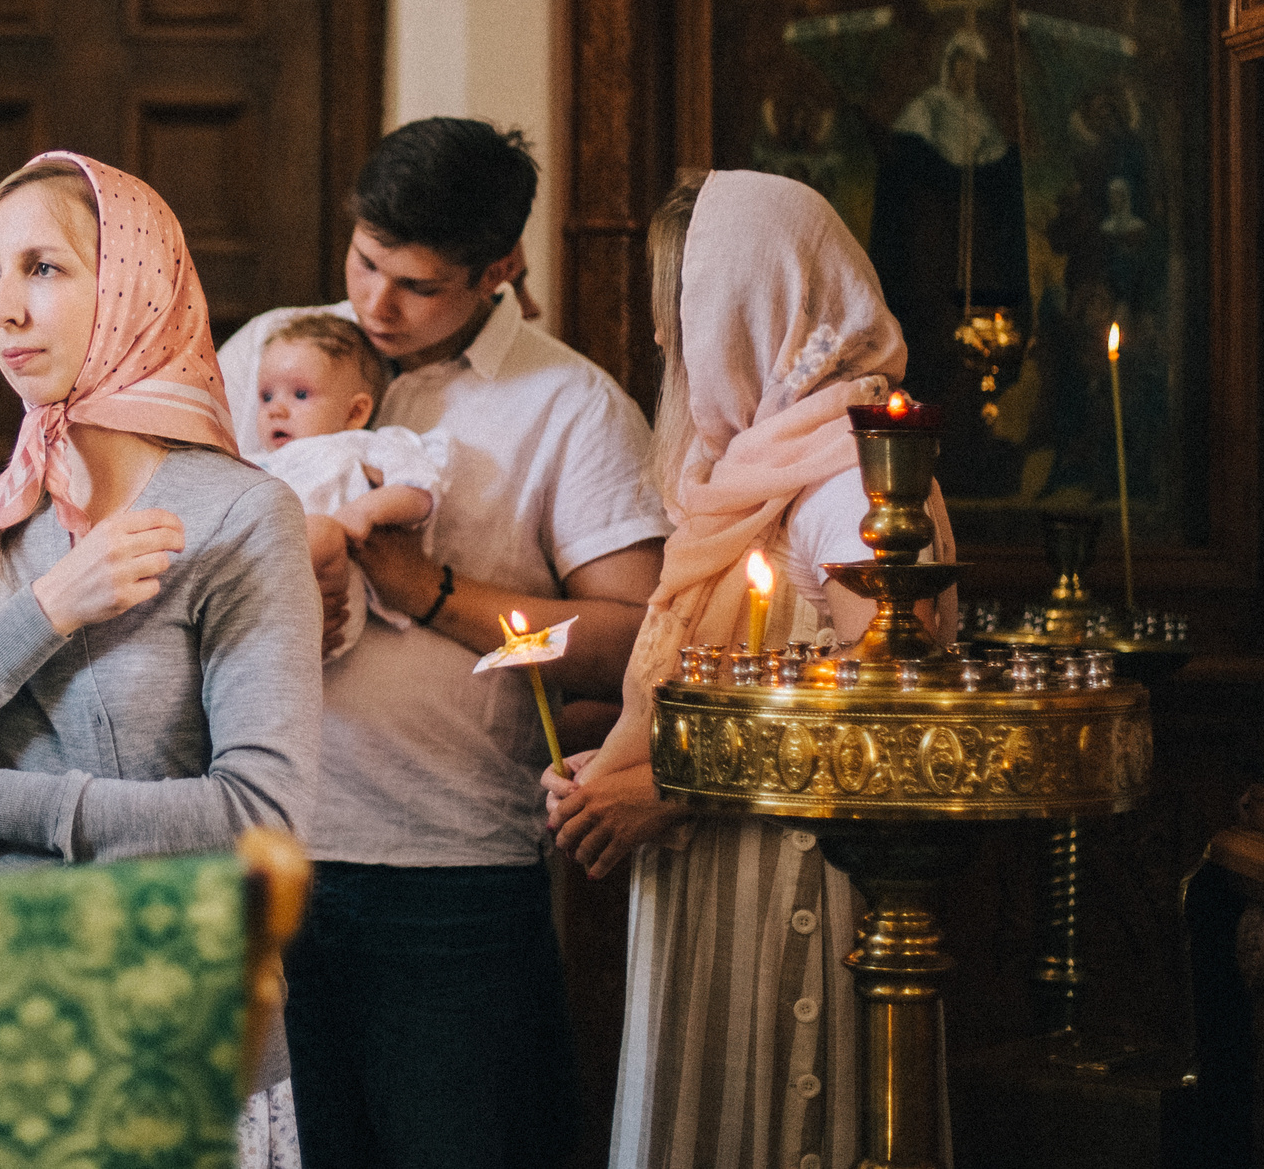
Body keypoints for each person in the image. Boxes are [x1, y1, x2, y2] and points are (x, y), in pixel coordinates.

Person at [0, 149, 319, 1167]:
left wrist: (2, 807)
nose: (4, 310)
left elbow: (264, 817)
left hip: (171, 1021)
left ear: (134, 289)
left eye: (42, 269)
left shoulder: (238, 516)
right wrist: (44, 611)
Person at [215, 117, 668, 1169]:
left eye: (415, 285)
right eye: (365, 261)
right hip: (255, 846)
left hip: (449, 874)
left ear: (500, 268)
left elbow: (627, 641)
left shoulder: (570, 407)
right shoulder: (274, 355)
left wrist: (431, 594)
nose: (375, 305)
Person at [543, 169, 954, 1169]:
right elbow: (734, 683)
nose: (660, 347)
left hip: (794, 894)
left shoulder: (848, 485)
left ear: (751, 312)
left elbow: (890, 720)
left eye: (678, 319)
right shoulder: (764, 471)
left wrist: (669, 790)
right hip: (724, 881)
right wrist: (613, 768)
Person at [250, 311, 445, 660]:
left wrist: (363, 510)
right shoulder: (255, 463)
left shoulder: (360, 444)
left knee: (321, 532)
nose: (275, 409)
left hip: (327, 604)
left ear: (355, 413)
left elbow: (420, 490)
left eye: (299, 394)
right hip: (262, 599)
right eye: (266, 397)